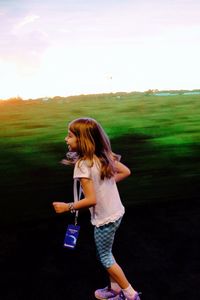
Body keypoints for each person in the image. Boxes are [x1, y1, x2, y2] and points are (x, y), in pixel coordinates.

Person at [53, 117, 141, 300]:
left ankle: (130, 294)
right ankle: (115, 289)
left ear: (83, 139)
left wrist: (67, 206)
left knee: (105, 258)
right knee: (108, 253)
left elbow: (92, 200)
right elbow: (126, 171)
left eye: (69, 136)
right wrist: (106, 186)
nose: (65, 139)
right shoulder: (103, 156)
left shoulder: (82, 165)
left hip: (104, 219)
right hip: (117, 213)